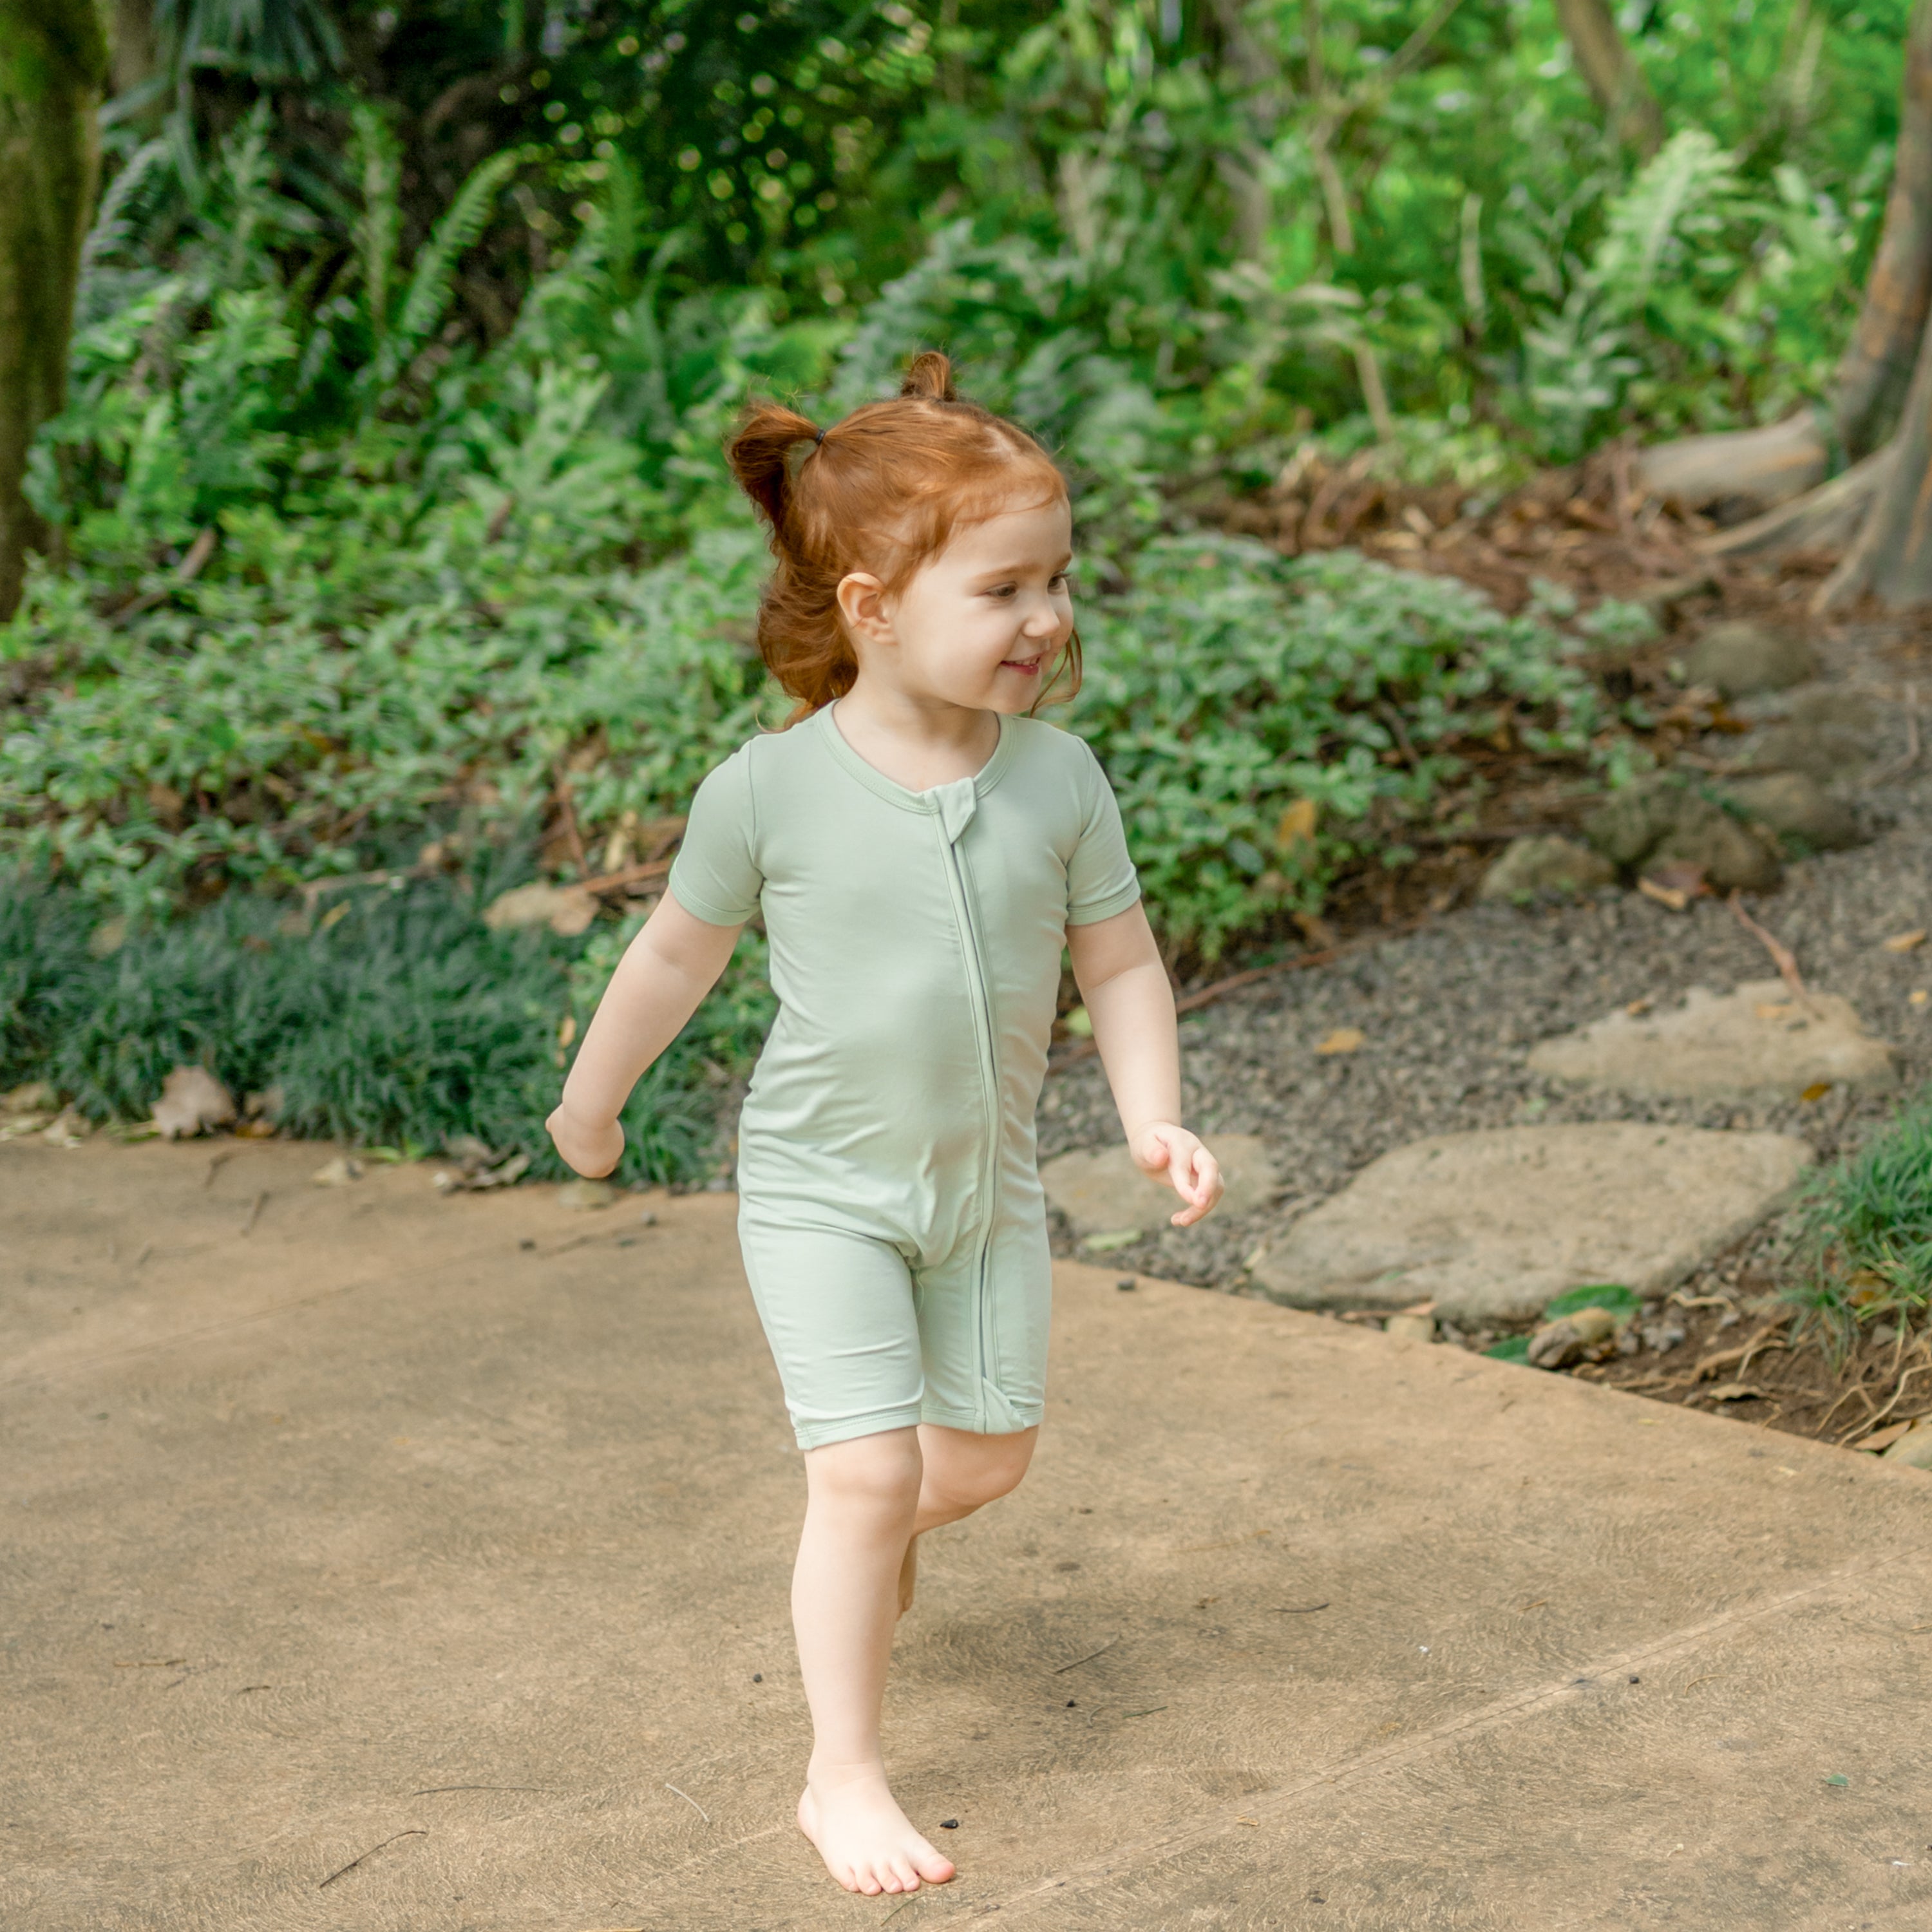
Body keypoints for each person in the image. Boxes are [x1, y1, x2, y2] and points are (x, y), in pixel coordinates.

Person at [546, 351, 1224, 1897]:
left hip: (986, 1196)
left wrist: (1153, 1118)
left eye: (1058, 580)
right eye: (1004, 589)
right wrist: (592, 1109)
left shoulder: (1061, 782)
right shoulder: (768, 793)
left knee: (980, 1465)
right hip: (821, 1192)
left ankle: (868, 1547)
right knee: (859, 1481)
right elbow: (669, 959)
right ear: (870, 609)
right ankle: (840, 1775)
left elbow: (1119, 961)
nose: (1046, 619)